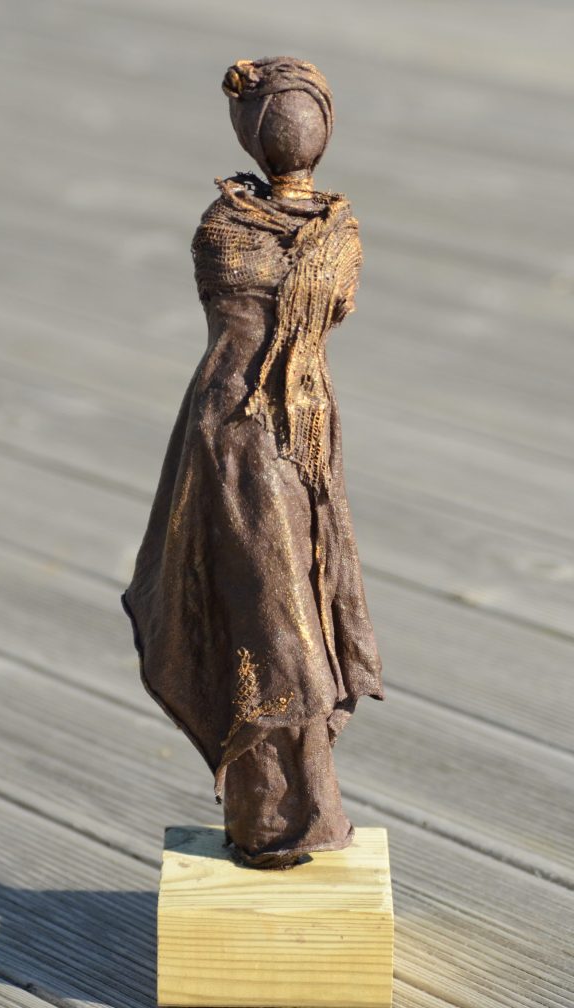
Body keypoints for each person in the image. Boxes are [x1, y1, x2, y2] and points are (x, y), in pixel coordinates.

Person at [121, 56, 384, 869]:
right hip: (287, 435)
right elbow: (330, 307)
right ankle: (285, 817)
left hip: (235, 431)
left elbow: (233, 300)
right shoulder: (338, 236)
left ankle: (284, 814)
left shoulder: (223, 225)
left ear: (247, 131)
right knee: (281, 615)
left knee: (273, 611)